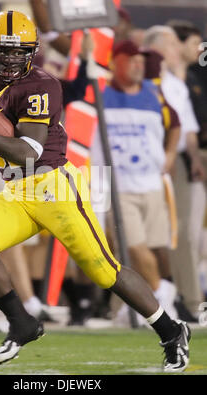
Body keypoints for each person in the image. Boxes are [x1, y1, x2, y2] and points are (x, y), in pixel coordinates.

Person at [0, 11, 191, 372]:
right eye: (2, 50)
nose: (11, 59)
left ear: (33, 52)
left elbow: (28, 151)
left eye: (20, 52)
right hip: (14, 190)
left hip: (53, 186)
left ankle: (171, 330)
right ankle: (22, 322)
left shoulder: (41, 85)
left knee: (103, 270)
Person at [91, 40, 180, 324]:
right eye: (132, 61)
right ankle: (161, 300)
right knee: (133, 247)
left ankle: (130, 310)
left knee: (154, 247)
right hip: (116, 186)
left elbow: (175, 124)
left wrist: (168, 154)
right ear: (115, 62)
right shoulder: (99, 92)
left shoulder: (154, 94)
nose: (138, 66)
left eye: (141, 62)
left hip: (151, 183)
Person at [144, 25, 205, 318]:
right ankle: (137, 301)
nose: (176, 50)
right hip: (146, 165)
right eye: (169, 44)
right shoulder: (142, 81)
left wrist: (192, 158)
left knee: (181, 234)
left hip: (175, 163)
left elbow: (188, 128)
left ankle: (190, 302)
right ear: (154, 48)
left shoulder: (177, 84)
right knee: (144, 235)